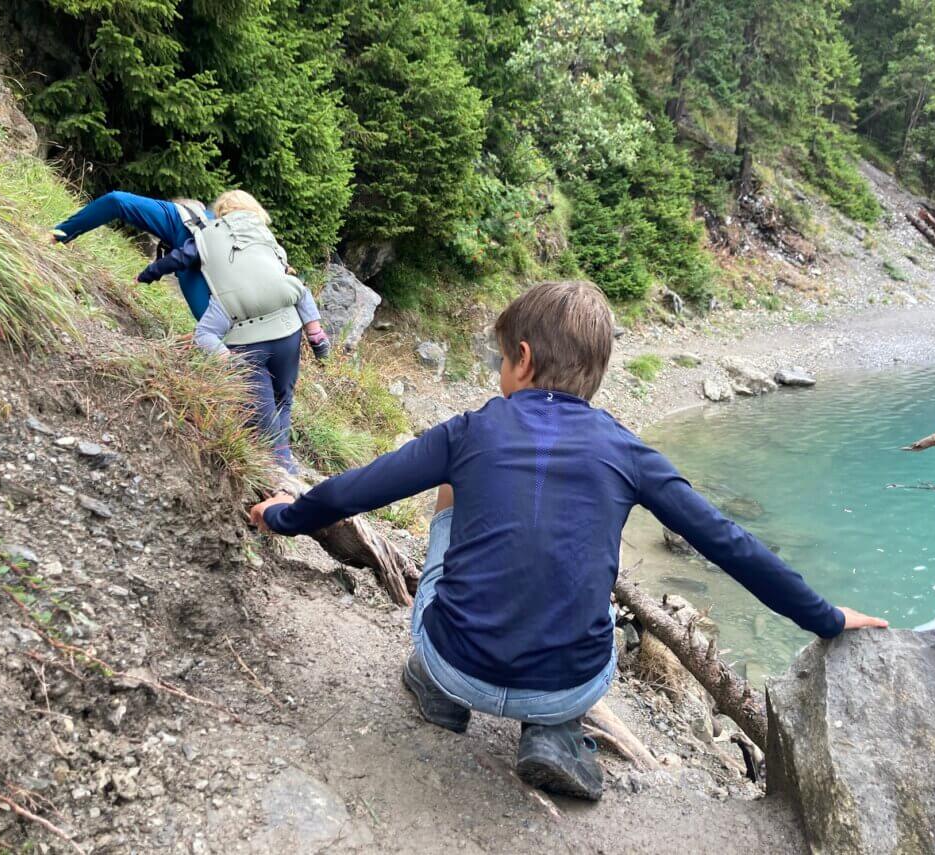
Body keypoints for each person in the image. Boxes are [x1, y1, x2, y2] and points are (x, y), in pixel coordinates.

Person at [249, 281, 887, 801]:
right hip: (570, 682)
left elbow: (354, 491)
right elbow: (729, 544)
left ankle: (436, 688)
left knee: (450, 492)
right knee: (585, 577)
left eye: (502, 358)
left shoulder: (470, 431)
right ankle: (553, 729)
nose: (501, 370)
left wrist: (284, 517)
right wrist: (825, 616)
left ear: (522, 358)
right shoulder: (629, 452)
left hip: (457, 662)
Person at [136, 190, 331, 475]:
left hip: (239, 326)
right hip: (287, 326)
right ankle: (283, 456)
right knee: (283, 398)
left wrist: (149, 273)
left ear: (219, 212)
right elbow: (286, 272)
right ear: (253, 210)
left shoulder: (205, 236)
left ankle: (230, 366)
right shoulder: (264, 234)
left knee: (214, 346)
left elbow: (177, 259)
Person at [50, 191, 217, 319]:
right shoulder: (226, 235)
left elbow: (115, 202)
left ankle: (54, 236)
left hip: (189, 223)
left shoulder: (180, 219)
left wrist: (58, 234)